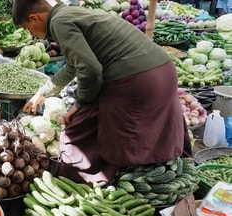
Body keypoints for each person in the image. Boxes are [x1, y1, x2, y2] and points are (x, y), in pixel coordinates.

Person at [14, 0, 192, 185]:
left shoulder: (59, 22)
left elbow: (90, 70)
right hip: (163, 71)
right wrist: (42, 93)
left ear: (34, 18)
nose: (32, 35)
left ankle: (82, 184)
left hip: (138, 79)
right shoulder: (70, 13)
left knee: (78, 130)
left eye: (29, 30)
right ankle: (148, 172)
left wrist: (79, 103)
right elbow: (74, 66)